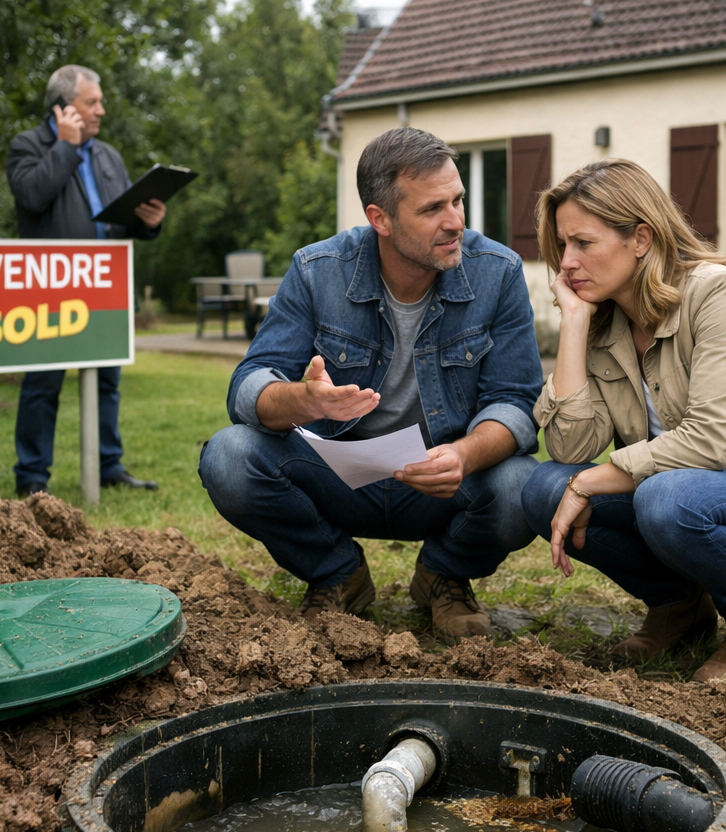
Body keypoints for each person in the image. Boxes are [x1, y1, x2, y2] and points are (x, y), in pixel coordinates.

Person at [520, 159, 726, 682]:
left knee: (664, 498)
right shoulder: (603, 318)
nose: (567, 263)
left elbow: (710, 441)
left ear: (640, 238)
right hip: (688, 499)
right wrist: (573, 324)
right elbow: (569, 447)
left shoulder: (718, 293)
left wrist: (590, 481)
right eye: (562, 246)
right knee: (543, 487)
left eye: (583, 243)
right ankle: (680, 607)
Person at [199, 128, 543, 641]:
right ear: (379, 219)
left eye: (458, 200)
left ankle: (443, 575)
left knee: (522, 485)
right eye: (432, 209)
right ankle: (338, 573)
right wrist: (303, 399)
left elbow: (515, 401)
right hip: (341, 472)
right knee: (229, 456)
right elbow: (248, 385)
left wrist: (465, 455)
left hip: (442, 477)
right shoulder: (318, 270)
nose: (455, 222)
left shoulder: (498, 271)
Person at [7, 64, 165, 496]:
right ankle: (33, 477)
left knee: (107, 382)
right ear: (63, 108)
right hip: (50, 289)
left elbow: (122, 219)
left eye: (99, 101)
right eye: (91, 102)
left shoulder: (109, 155)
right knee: (43, 384)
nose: (101, 110)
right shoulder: (28, 146)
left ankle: (108, 466)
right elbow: (32, 196)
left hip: (105, 288)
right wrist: (65, 146)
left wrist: (148, 222)